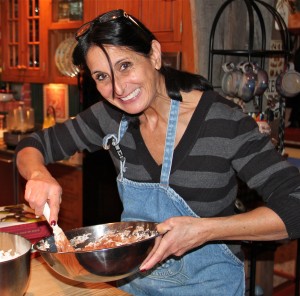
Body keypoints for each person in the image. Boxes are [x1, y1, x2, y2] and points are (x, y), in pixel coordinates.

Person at [16, 9, 300, 296]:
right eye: (102, 76)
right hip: (133, 287)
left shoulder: (223, 122)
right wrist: (38, 174)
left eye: (125, 65)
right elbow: (32, 145)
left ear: (153, 55)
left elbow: (295, 208)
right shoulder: (110, 118)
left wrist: (206, 230)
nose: (118, 89)